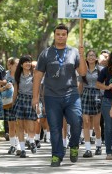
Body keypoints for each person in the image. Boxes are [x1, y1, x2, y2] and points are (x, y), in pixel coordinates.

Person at [32, 23, 87, 167]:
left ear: (67, 36)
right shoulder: (46, 53)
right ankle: (56, 155)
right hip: (51, 96)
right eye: (58, 34)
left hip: (71, 94)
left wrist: (82, 55)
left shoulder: (74, 52)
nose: (61, 37)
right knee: (55, 127)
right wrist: (35, 97)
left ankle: (74, 145)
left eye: (63, 34)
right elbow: (37, 75)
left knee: (76, 122)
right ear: (54, 35)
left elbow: (82, 73)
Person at [78, 49, 103, 158]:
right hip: (85, 95)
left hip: (97, 95)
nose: (91, 57)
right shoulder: (82, 69)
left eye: (93, 55)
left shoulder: (101, 70)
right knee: (86, 122)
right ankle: (88, 149)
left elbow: (103, 84)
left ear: (96, 58)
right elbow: (80, 85)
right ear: (86, 58)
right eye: (89, 55)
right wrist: (78, 98)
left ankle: (98, 145)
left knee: (96, 124)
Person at [13, 55, 37, 158]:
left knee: (31, 127)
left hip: (30, 100)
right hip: (20, 100)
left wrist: (37, 103)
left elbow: (37, 90)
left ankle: (31, 141)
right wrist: (13, 103)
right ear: (21, 64)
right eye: (25, 62)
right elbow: (15, 91)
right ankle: (22, 149)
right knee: (20, 125)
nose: (28, 63)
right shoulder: (18, 76)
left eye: (29, 62)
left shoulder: (35, 75)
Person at [1, 57, 19, 155]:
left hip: (20, 102)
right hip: (8, 102)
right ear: (10, 66)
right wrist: (4, 87)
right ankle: (12, 145)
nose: (18, 67)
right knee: (11, 125)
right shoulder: (4, 75)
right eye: (16, 65)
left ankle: (20, 145)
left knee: (20, 125)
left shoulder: (21, 75)